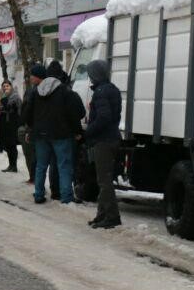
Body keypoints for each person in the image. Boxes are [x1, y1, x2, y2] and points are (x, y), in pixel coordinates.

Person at [22, 63, 84, 204]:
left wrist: (31, 128)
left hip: (40, 135)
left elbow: (27, 113)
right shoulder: (65, 91)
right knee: (64, 166)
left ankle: (38, 194)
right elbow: (74, 113)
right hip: (61, 135)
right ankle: (66, 197)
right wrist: (77, 131)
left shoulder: (35, 92)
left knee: (41, 166)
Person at [84, 59, 123, 229]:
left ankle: (112, 216)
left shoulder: (100, 92)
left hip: (104, 141)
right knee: (104, 178)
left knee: (104, 180)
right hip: (112, 138)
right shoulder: (112, 89)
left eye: (90, 74)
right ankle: (102, 214)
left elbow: (104, 117)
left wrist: (89, 131)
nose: (90, 77)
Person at [0, 79, 21, 172]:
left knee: (12, 145)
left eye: (7, 86)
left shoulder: (15, 96)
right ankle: (11, 165)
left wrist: (2, 97)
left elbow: (8, 106)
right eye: (4, 86)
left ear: (11, 86)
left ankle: (14, 166)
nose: (5, 88)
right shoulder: (4, 96)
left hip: (13, 124)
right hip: (5, 124)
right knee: (8, 145)